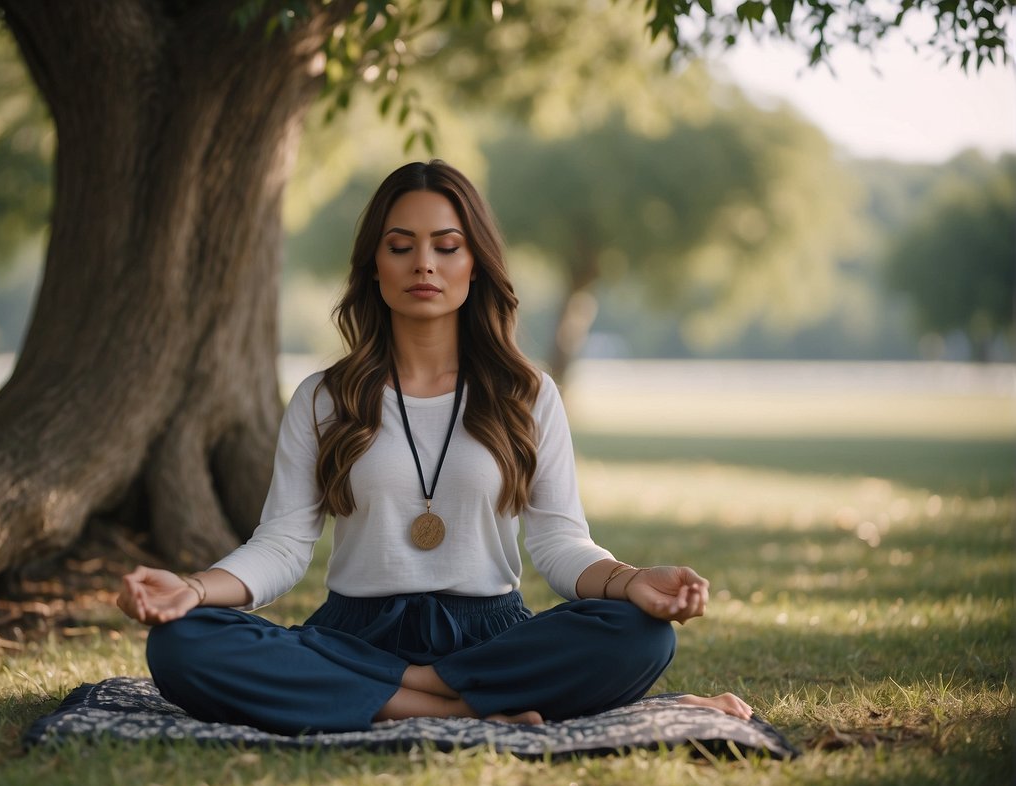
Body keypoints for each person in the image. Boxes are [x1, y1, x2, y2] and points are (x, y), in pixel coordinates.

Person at [116, 160, 751, 734]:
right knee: (182, 643)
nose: (425, 264)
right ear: (375, 266)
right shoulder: (323, 398)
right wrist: (194, 591)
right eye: (401, 246)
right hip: (354, 635)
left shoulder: (527, 394)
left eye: (447, 247)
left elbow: (559, 544)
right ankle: (464, 707)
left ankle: (388, 700)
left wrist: (632, 580)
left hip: (490, 638)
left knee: (640, 636)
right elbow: (283, 545)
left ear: (475, 265)